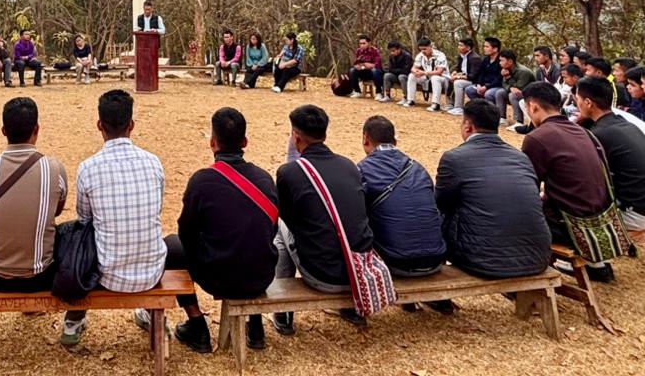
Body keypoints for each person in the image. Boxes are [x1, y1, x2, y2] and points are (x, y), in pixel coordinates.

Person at [168, 107, 279, 353]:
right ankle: (255, 323)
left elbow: (186, 233)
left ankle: (197, 325)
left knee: (171, 247)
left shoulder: (202, 181)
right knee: (252, 241)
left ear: (212, 142)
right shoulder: (264, 179)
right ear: (245, 142)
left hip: (219, 278)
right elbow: (268, 231)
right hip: (261, 275)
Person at [62, 90, 165, 348]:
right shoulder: (154, 163)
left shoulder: (88, 167)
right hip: (151, 272)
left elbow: (84, 219)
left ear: (99, 125)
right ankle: (150, 314)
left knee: (74, 237)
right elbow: (156, 209)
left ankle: (73, 320)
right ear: (131, 125)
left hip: (106, 273)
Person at [273, 104, 374, 332]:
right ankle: (350, 307)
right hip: (358, 271)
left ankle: (283, 310)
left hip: (322, 274)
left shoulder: (289, 172)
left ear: (296, 137)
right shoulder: (349, 165)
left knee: (280, 227)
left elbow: (288, 218)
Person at [434, 98, 551, 278]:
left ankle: (432, 276)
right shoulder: (520, 158)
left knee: (434, 215)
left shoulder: (454, 158)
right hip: (537, 257)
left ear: (467, 126)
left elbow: (441, 203)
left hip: (482, 259)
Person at [520, 82, 617, 282]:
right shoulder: (582, 131)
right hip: (603, 220)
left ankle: (527, 275)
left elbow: (528, 190)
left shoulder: (537, 138)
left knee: (512, 212)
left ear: (533, 106)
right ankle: (597, 265)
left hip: (570, 225)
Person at [0, 98, 68, 294]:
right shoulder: (54, 168)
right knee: (68, 233)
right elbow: (57, 211)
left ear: (4, 131)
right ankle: (74, 318)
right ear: (37, 129)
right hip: (40, 276)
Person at [359, 116, 450, 313]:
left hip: (395, 261)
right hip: (435, 258)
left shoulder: (363, 170)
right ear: (395, 141)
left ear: (365, 139)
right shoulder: (418, 168)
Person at [574, 77, 645, 232]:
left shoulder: (599, 135)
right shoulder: (625, 124)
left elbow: (586, 180)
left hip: (634, 215)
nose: (577, 104)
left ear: (588, 103)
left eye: (578, 99)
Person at [449, 36, 502, 115]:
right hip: (482, 84)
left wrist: (486, 87)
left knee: (488, 93)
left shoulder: (500, 61)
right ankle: (480, 109)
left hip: (494, 86)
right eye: (484, 46)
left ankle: (492, 113)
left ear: (495, 49)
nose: (484, 48)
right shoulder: (486, 59)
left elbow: (499, 78)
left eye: (487, 47)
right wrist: (479, 85)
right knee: (470, 89)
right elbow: (481, 74)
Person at [486, 50, 534, 124]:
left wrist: (508, 77)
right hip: (516, 92)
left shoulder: (523, 71)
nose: (500, 63)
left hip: (529, 94)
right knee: (500, 92)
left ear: (510, 61)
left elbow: (519, 88)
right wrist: (509, 86)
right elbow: (504, 84)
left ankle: (519, 121)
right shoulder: (506, 69)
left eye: (502, 61)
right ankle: (501, 118)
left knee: (513, 95)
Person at [403, 38, 448, 111]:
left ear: (430, 46)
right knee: (411, 75)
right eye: (421, 49)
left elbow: (439, 71)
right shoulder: (420, 55)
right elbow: (413, 68)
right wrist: (416, 72)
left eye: (424, 49)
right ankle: (411, 100)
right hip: (427, 77)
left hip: (443, 78)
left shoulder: (440, 55)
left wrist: (423, 73)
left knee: (435, 78)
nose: (423, 51)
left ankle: (435, 104)